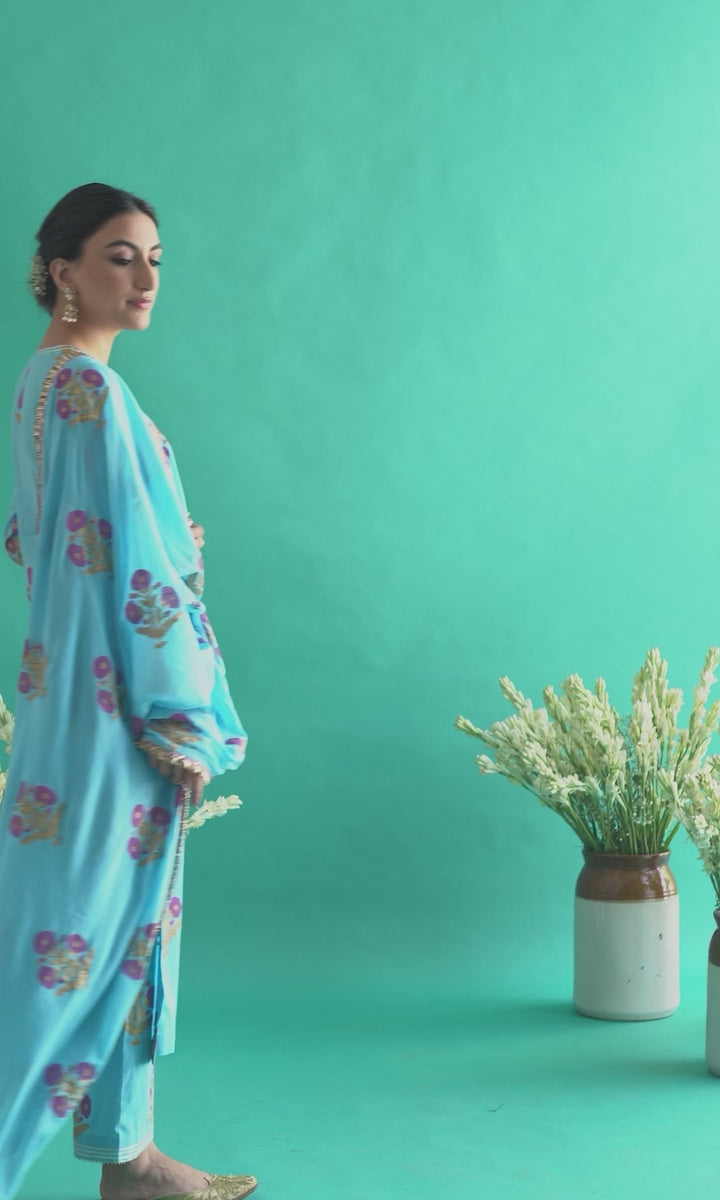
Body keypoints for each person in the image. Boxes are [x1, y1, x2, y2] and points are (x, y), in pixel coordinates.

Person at [0, 183, 256, 1200]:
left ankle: (132, 1158)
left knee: (124, 932)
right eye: (120, 256)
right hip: (114, 709)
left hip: (66, 695)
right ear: (62, 270)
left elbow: (34, 539)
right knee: (67, 948)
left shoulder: (39, 382)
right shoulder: (90, 391)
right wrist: (177, 713)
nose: (146, 277)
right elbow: (130, 575)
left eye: (155, 258)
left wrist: (159, 532)